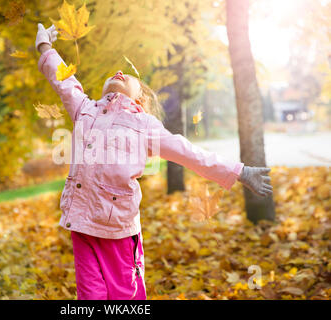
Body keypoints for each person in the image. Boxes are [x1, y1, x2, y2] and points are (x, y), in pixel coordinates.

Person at [35, 23, 273, 300]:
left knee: (125, 296)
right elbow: (63, 81)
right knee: (90, 296)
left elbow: (189, 153)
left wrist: (239, 171)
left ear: (140, 98)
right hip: (82, 224)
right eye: (115, 74)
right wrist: (45, 47)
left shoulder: (144, 124)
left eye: (128, 77)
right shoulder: (86, 109)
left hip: (118, 229)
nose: (119, 72)